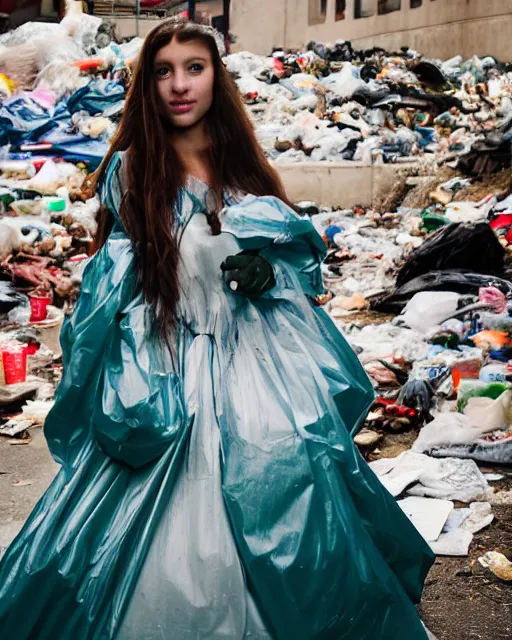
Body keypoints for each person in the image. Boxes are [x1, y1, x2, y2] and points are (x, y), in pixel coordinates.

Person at [0, 18, 434, 639]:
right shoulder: (131, 172)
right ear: (147, 86)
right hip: (162, 363)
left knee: (292, 492)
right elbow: (112, 281)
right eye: (163, 71)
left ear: (216, 78)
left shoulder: (246, 169)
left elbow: (294, 271)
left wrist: (270, 273)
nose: (180, 85)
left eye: (194, 68)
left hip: (255, 366)